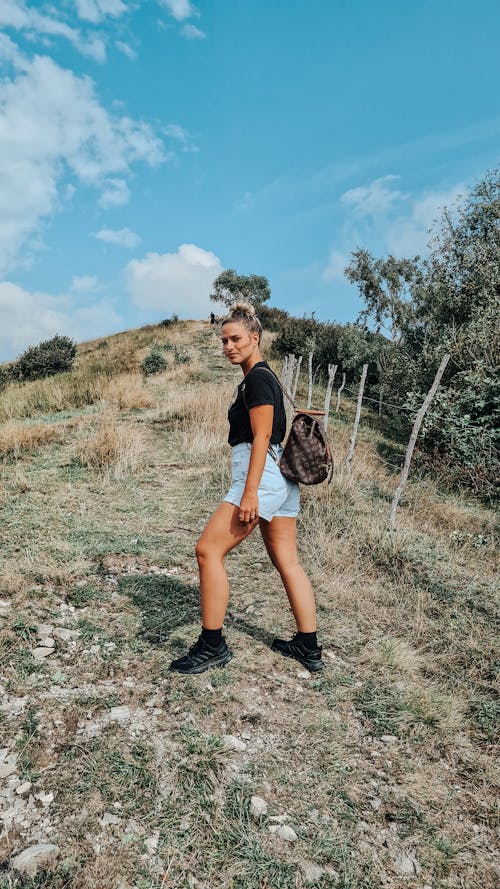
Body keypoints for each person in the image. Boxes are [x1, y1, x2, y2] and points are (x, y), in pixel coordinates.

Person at [169, 301, 323, 675]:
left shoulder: (257, 379)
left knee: (207, 550)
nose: (228, 347)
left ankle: (212, 644)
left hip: (262, 475)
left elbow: (262, 436)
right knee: (287, 560)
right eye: (223, 341)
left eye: (235, 339)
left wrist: (250, 491)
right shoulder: (262, 377)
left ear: (255, 338)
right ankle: (308, 644)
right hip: (280, 479)